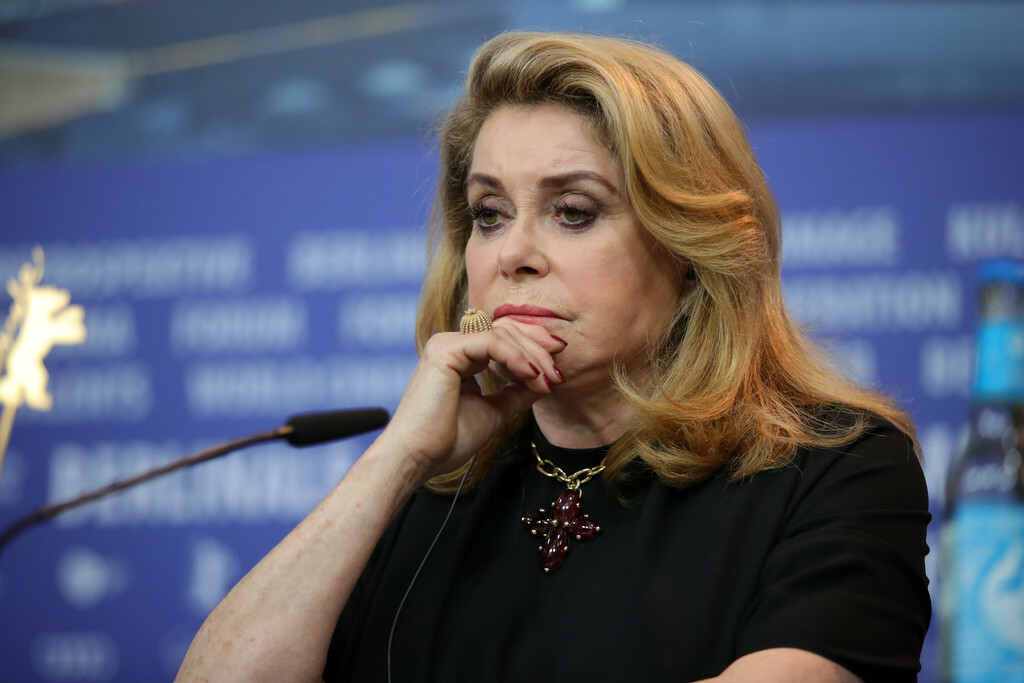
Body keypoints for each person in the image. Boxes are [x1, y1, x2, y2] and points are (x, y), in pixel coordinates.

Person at [176, 31, 930, 682]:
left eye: (573, 211)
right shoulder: (427, 487)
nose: (514, 253)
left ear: (690, 245)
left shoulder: (838, 468)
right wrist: (397, 460)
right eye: (490, 214)